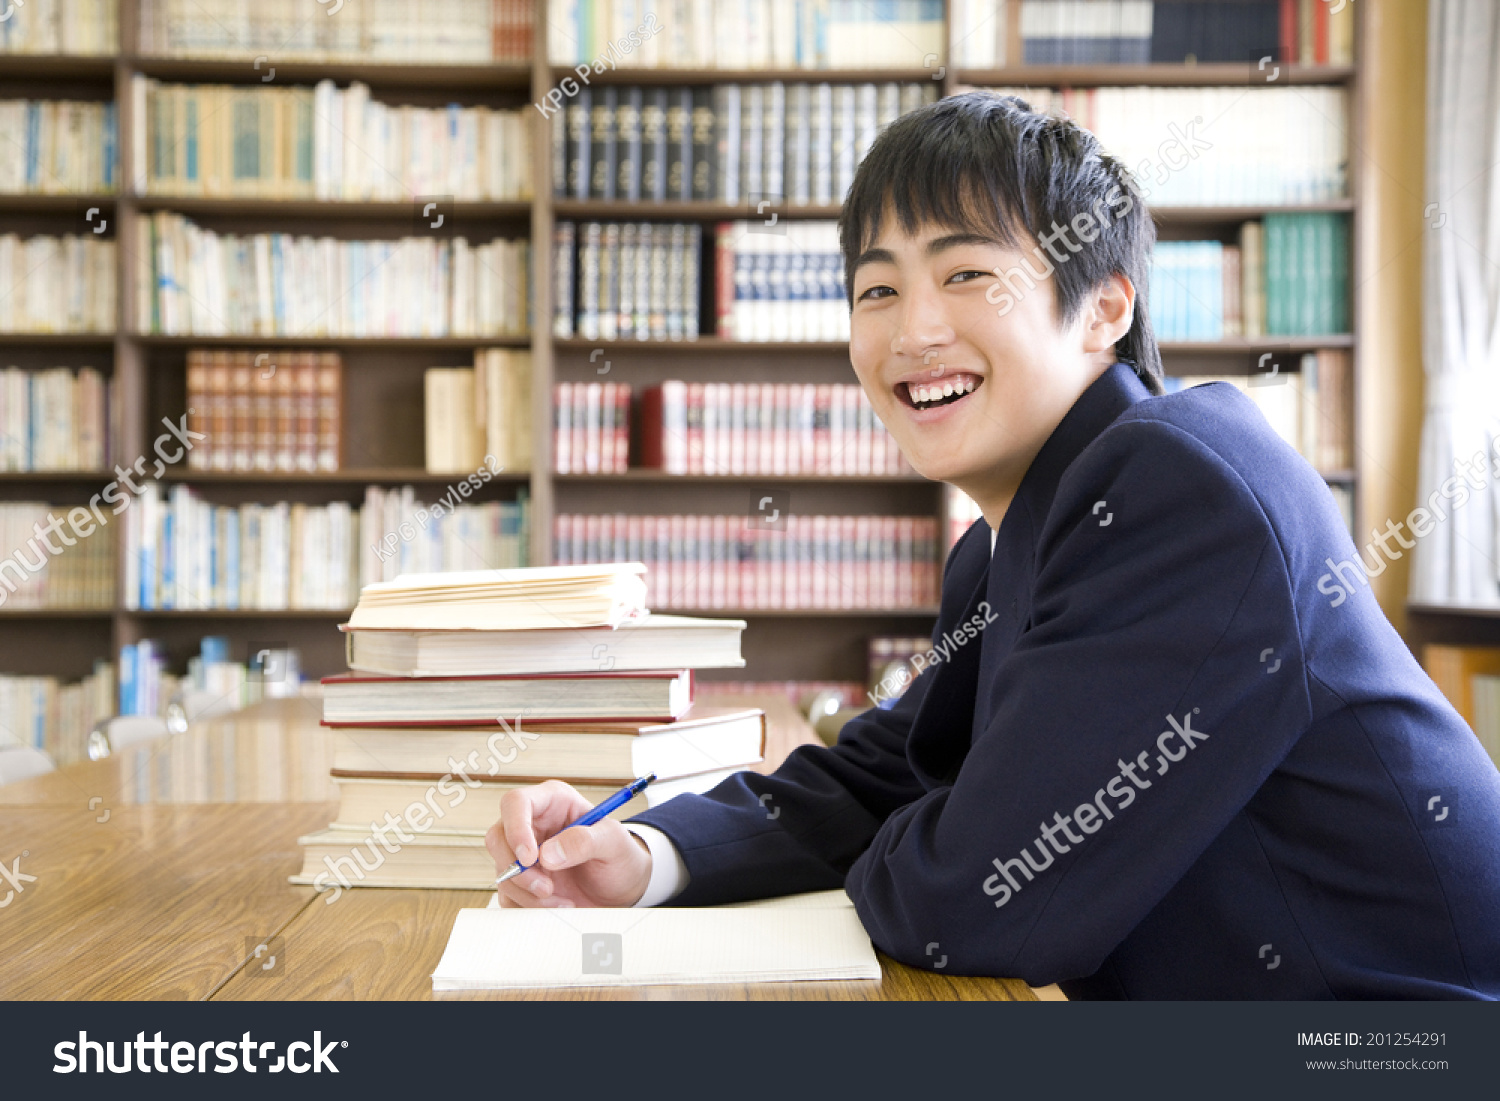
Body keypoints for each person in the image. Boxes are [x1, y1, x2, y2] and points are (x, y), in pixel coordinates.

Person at [485, 91, 1500, 999]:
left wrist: (934, 835)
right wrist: (647, 851)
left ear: (1105, 307)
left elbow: (982, 896)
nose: (912, 332)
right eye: (876, 291)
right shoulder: (1013, 535)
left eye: (968, 273)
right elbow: (888, 773)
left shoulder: (1182, 491)